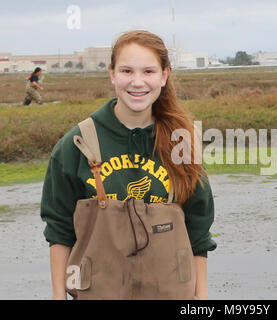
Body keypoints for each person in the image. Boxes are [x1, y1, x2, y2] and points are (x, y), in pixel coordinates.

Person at [40, 30, 217, 300]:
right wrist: (57, 296)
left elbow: (198, 233)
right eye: (126, 71)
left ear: (164, 76)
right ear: (112, 74)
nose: (137, 82)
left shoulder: (182, 144)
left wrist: (201, 299)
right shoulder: (75, 145)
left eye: (148, 71)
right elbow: (59, 230)